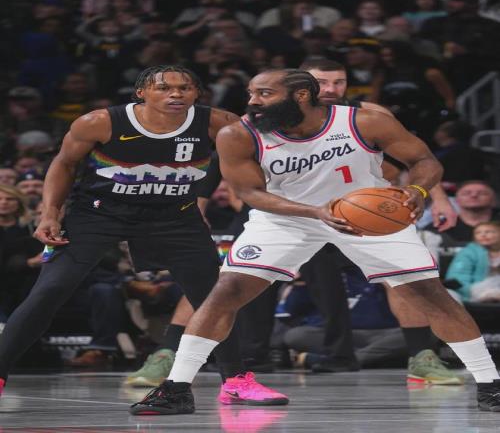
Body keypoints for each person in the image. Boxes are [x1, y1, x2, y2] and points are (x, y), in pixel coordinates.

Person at [130, 68, 500, 415]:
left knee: (430, 295)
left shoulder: (364, 121)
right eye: (251, 93)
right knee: (225, 292)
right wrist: (314, 212)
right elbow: (251, 193)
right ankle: (176, 388)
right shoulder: (238, 134)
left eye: (264, 93)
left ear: (301, 95)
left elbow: (424, 160)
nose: (253, 101)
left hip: (368, 214)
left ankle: (490, 383)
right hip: (287, 217)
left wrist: (417, 191)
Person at [0, 65, 287, 406]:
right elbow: (64, 164)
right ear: (141, 93)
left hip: (175, 215)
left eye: (185, 88)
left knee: (215, 298)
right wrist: (50, 212)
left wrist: (207, 199)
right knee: (50, 290)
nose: (176, 93)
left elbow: (257, 154)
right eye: (164, 88)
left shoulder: (217, 122)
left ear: (197, 94)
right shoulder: (99, 122)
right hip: (99, 213)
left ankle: (236, 380)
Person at [300, 58, 460, 382]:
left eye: (339, 82)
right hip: (310, 214)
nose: (331, 89)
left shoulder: (370, 115)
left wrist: (440, 199)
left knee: (403, 282)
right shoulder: (280, 118)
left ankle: (422, 358)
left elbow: (415, 158)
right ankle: (247, 361)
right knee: (310, 287)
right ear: (302, 85)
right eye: (322, 82)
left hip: (369, 211)